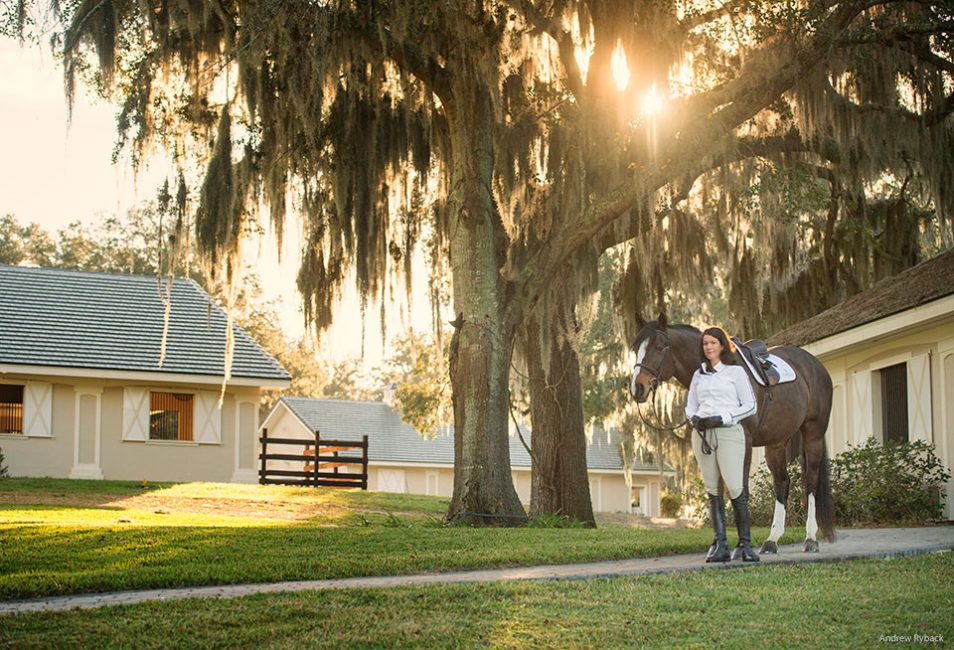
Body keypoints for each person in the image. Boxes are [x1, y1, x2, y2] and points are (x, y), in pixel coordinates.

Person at [686, 326, 760, 563]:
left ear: (722, 345)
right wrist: (693, 418)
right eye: (705, 343)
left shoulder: (735, 373)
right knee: (712, 490)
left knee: (735, 487)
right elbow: (690, 405)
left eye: (713, 343)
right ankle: (720, 545)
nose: (708, 347)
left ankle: (746, 545)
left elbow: (750, 405)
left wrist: (725, 418)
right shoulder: (698, 375)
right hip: (703, 435)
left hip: (728, 433)